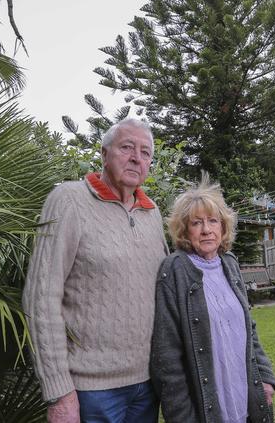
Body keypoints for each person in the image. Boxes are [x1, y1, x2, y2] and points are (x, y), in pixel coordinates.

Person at [23, 118, 169, 423]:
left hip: (147, 385)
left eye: (145, 152)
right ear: (104, 154)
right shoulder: (69, 200)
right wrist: (58, 390)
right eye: (126, 147)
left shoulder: (151, 213)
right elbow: (40, 298)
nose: (135, 157)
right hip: (90, 390)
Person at [151, 177, 275, 423]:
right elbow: (166, 357)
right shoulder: (174, 269)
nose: (206, 229)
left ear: (223, 226)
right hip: (206, 408)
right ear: (185, 230)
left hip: (246, 398)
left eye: (213, 221)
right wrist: (182, 417)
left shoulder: (229, 263)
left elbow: (249, 327)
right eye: (196, 223)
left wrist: (265, 377)